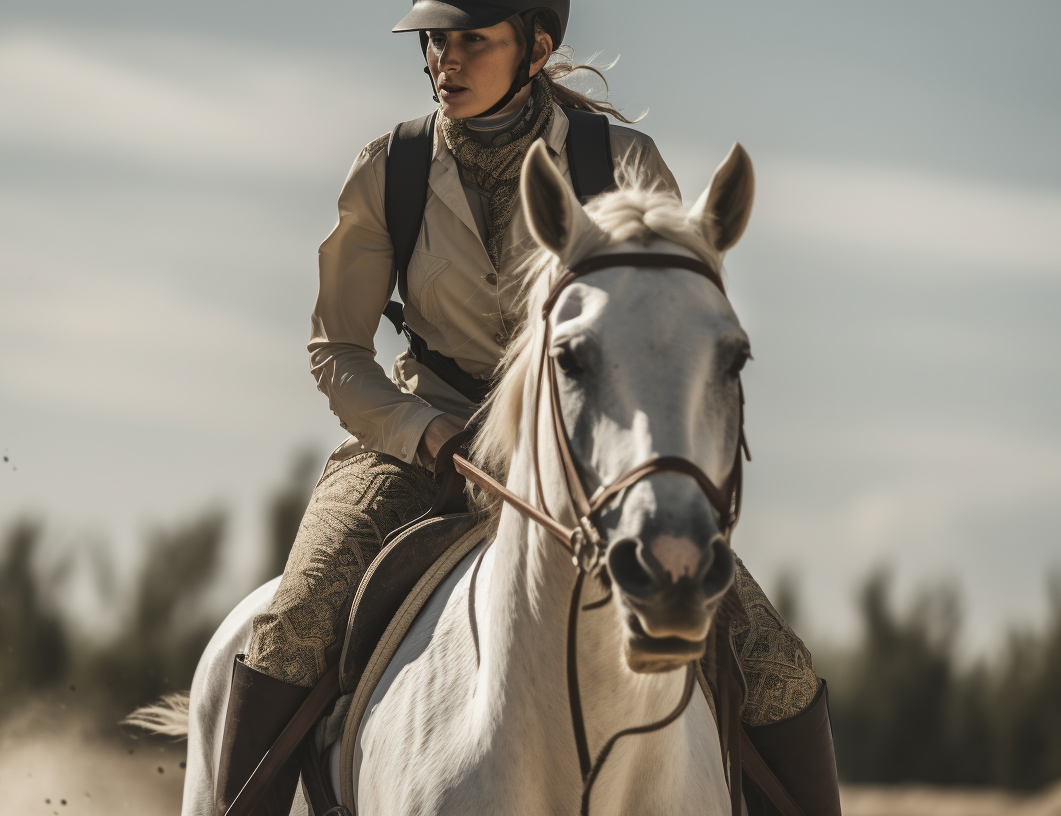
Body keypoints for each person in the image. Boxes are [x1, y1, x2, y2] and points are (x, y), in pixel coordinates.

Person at [215, 2, 833, 814]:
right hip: (423, 439)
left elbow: (662, 333)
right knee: (294, 620)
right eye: (437, 41)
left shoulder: (626, 164)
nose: (447, 60)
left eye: (474, 40)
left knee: (776, 668)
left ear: (537, 48)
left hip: (588, 452)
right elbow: (337, 350)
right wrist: (419, 431)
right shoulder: (388, 169)